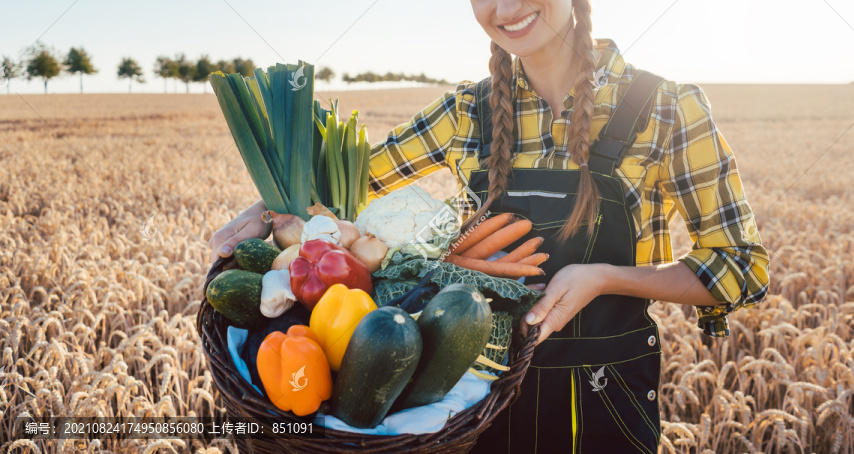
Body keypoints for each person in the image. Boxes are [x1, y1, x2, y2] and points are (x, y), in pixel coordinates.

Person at [209, 0, 770, 451]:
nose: (505, 7)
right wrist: (270, 210)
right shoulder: (465, 113)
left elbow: (740, 266)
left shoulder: (665, 109)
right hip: (472, 400)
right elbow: (337, 195)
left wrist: (602, 277)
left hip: (607, 398)